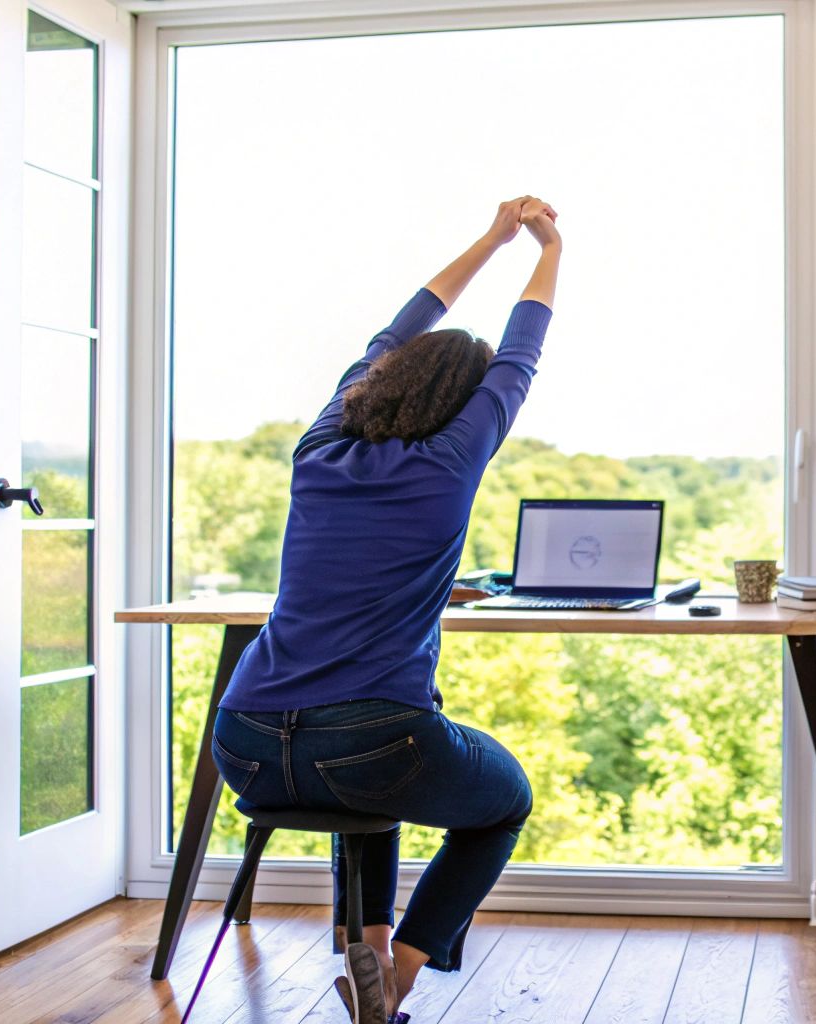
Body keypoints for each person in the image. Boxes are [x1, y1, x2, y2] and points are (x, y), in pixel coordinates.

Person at [208, 197, 563, 1024]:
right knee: (499, 800)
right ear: (465, 405)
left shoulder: (320, 445)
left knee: (378, 769)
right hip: (373, 742)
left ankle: (363, 954)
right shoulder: (451, 461)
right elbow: (522, 350)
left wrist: (490, 240)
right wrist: (551, 245)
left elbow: (398, 331)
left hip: (247, 743)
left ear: (382, 383)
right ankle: (395, 977)